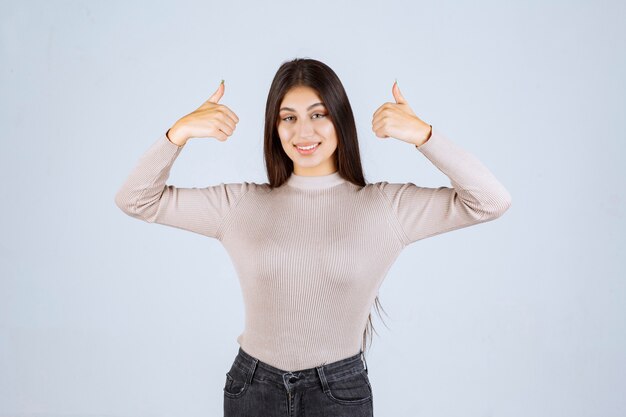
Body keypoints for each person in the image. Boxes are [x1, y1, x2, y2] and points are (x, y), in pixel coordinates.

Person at [114, 57, 512, 417]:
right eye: (288, 118)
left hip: (338, 393)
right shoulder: (241, 205)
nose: (303, 131)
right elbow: (136, 200)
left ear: (341, 119)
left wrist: (425, 136)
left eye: (318, 114)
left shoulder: (385, 208)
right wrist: (177, 135)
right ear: (275, 127)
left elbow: (490, 201)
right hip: (253, 389)